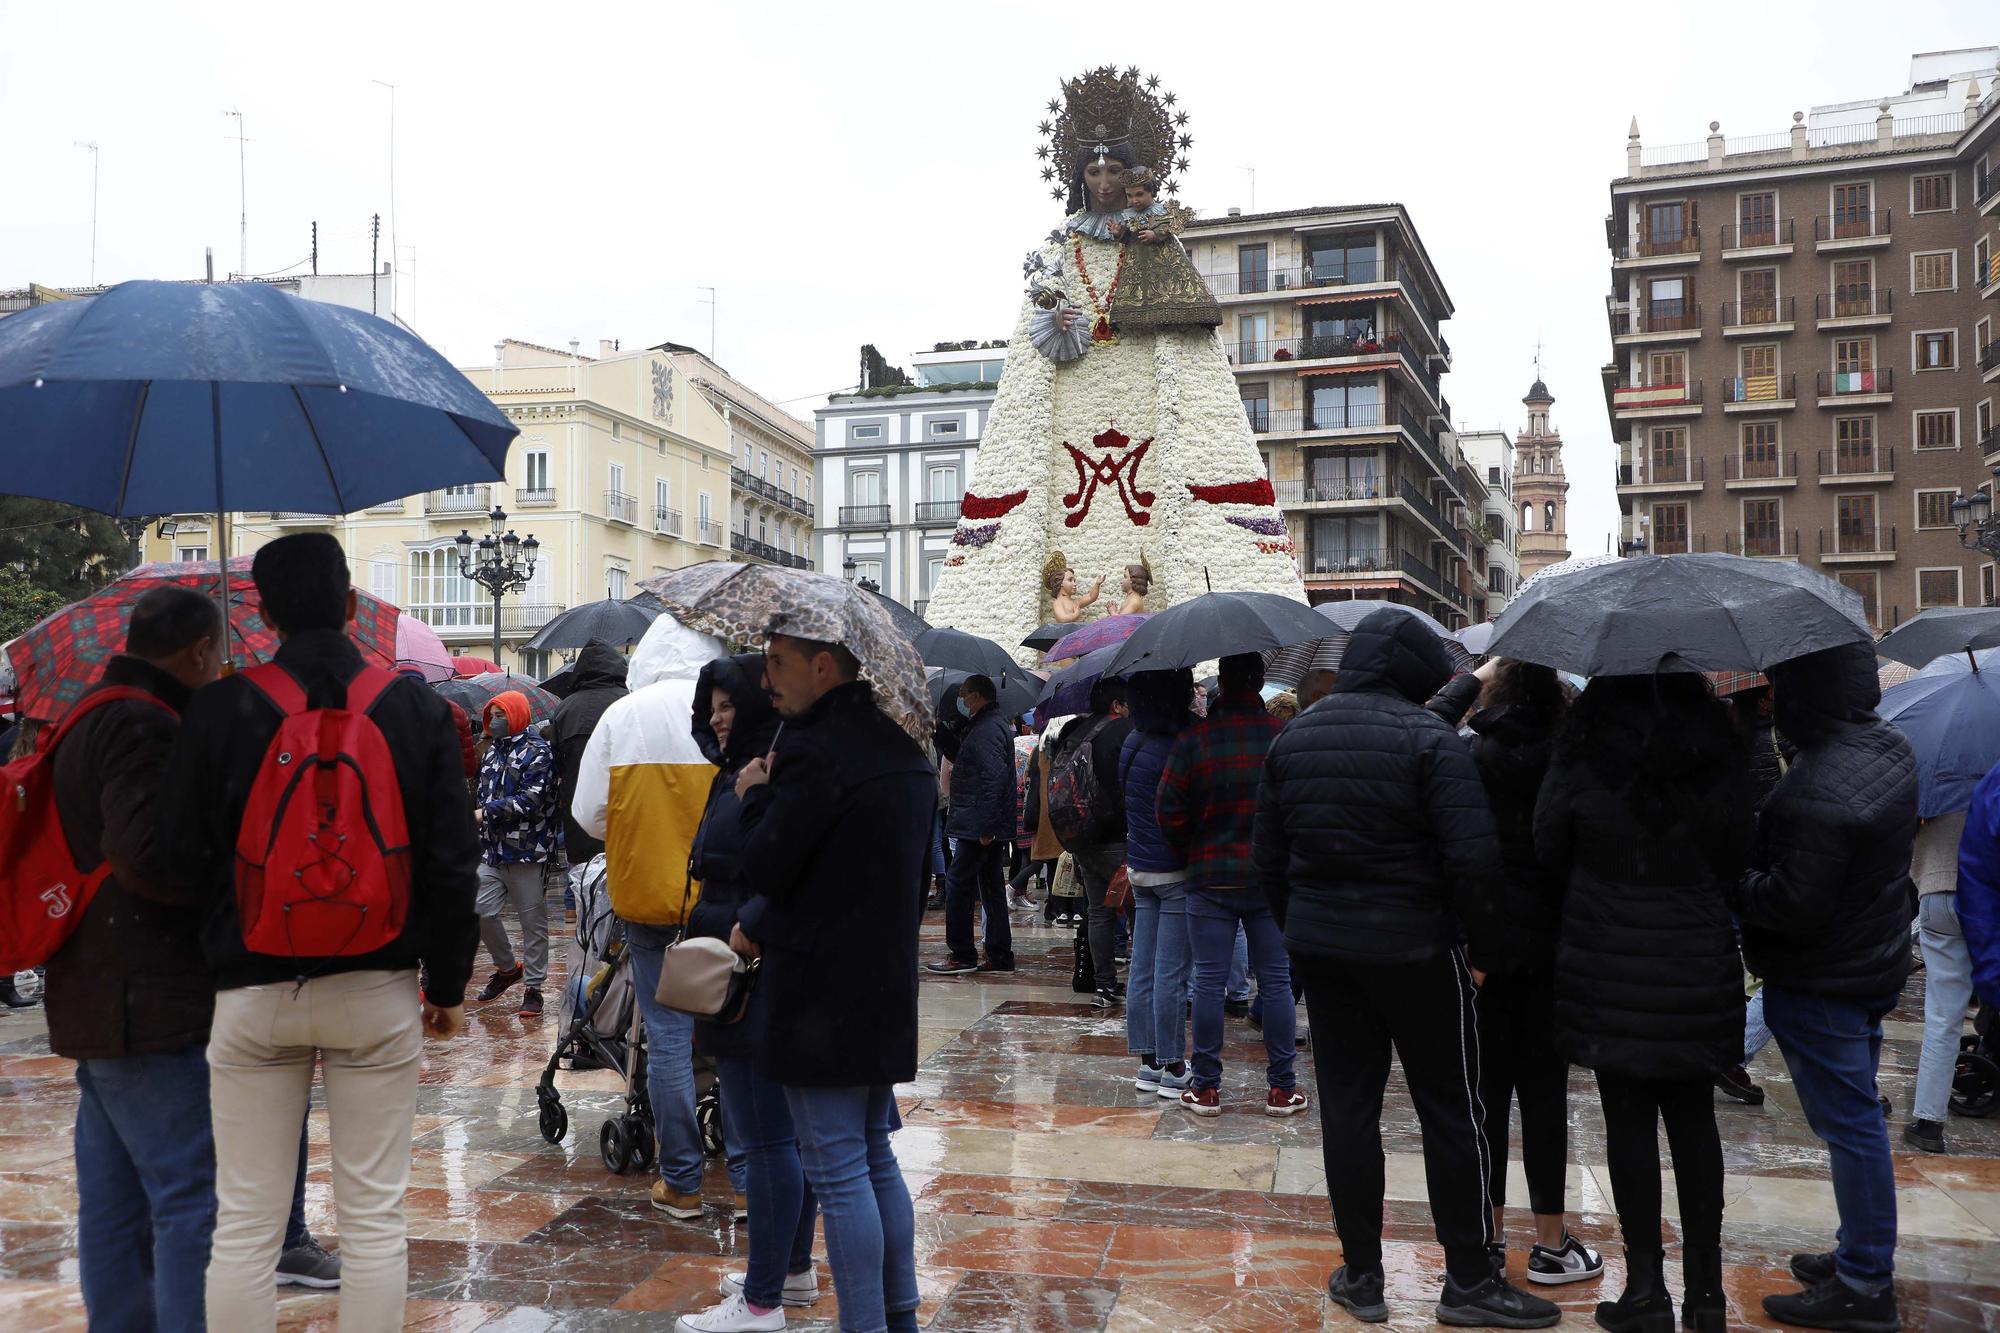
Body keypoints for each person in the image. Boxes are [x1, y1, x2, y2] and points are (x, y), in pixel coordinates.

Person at [165, 532, 478, 1330]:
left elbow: (182, 858)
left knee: (244, 1224)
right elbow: (451, 862)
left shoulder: (221, 706)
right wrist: (444, 986)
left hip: (251, 984)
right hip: (376, 988)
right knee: (374, 1220)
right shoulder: (414, 707)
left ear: (262, 613)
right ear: (349, 605)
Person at [1253, 608, 1556, 1329]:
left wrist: (1303, 932)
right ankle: (1469, 1278)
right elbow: (1474, 863)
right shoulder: (1431, 744)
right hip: (1420, 954)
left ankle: (1361, 1274)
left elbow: (1268, 858)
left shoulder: (1295, 736)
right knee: (1453, 1110)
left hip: (1329, 957)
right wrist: (1483, 954)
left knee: (1349, 1112)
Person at [730, 632, 934, 1333]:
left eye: (777, 663)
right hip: (881, 985)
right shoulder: (903, 750)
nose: (765, 679)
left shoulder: (814, 752)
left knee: (839, 1168)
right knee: (872, 1157)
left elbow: (767, 862)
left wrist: (754, 794)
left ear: (823, 666)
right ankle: (896, 1316)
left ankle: (868, 1326)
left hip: (818, 994)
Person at [1535, 675, 1750, 1331]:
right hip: (1695, 960)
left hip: (1610, 963)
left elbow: (1548, 845)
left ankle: (1648, 1291)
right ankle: (1707, 1294)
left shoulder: (1583, 751)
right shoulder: (1717, 748)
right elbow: (1741, 846)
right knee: (1694, 1121)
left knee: (1628, 1125)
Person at [47, 587, 224, 1330]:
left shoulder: (87, 712)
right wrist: (224, 883)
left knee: (115, 1203)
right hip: (145, 998)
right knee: (188, 1197)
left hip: (96, 990)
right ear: (196, 652)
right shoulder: (142, 723)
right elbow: (144, 855)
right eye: (215, 657)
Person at [1731, 642, 1918, 1332]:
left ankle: (1866, 1280)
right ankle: (1855, 1252)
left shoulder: (1820, 779)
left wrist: (1740, 883)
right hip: (1869, 962)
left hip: (1823, 976)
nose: (1774, 699)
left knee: (1852, 1127)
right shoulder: (1888, 745)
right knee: (1857, 1118)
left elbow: (1791, 900)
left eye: (1782, 685)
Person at [677, 654, 821, 1333]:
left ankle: (762, 1299)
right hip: (740, 972)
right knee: (777, 1139)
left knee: (766, 1142)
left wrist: (741, 926)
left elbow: (779, 867)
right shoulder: (742, 772)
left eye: (729, 701)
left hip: (750, 976)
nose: (716, 713)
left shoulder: (772, 773)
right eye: (712, 703)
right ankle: (789, 1269)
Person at [573, 612, 726, 1221]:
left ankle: (681, 1181)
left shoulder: (623, 714)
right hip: (719, 900)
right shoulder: (724, 710)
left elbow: (588, 813)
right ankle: (743, 1180)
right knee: (730, 1038)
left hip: (648, 901)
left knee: (665, 1039)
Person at [1463, 660, 1602, 1289]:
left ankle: (1487, 1235)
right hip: (1551, 947)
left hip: (1484, 950)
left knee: (1484, 1094)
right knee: (1546, 1097)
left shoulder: (1472, 754)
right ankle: (1549, 1243)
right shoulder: (1569, 757)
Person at [1155, 652, 1302, 1118]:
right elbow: (1297, 810)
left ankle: (1206, 1088)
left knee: (1211, 984)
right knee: (1276, 983)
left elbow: (1167, 811)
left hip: (1209, 876)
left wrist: (1192, 846)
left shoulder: (1194, 741)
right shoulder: (1281, 739)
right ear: (1260, 683)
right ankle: (1282, 1089)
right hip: (1267, 880)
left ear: (1221, 681)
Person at [472, 690, 560, 1017]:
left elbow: (530, 800)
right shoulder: (491, 753)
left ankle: (534, 988)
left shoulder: (538, 752)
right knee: (479, 908)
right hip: (492, 850)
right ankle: (508, 969)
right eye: (491, 715)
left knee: (532, 921)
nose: (494, 721)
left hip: (528, 850)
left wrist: (484, 813)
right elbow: (481, 792)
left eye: (501, 715)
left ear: (517, 715)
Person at [1046, 679, 1134, 1003]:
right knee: (1136, 909)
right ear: (1116, 705)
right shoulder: (1122, 731)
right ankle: (1141, 984)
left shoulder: (1074, 731)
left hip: (1081, 835)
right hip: (1115, 837)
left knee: (1098, 912)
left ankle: (1104, 985)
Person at [928, 675, 1018, 975]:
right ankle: (999, 954)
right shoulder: (983, 725)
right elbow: (964, 758)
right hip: (979, 821)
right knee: (990, 887)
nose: (961, 700)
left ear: (977, 696)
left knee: (958, 883)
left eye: (964, 695)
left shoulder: (989, 728)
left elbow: (994, 777)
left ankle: (962, 953)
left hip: (978, 823)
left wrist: (987, 827)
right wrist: (939, 731)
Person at [549, 639, 630, 924]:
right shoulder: (628, 700)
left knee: (584, 884)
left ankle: (581, 927)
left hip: (578, 809)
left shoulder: (565, 708)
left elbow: (554, 762)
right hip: (625, 809)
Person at [1907, 811, 1970, 1155]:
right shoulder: (1990, 779)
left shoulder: (1933, 780)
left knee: (1944, 1015)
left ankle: (1929, 1122)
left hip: (1939, 890)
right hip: (1989, 895)